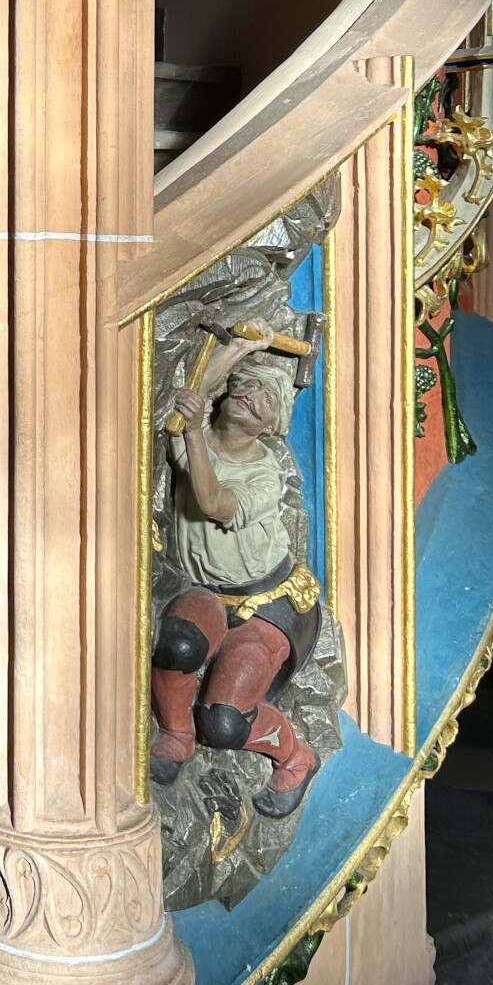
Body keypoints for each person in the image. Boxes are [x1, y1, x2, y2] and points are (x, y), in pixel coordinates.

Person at [150, 334, 323, 819]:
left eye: (266, 398)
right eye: (246, 386)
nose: (250, 396)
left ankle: (295, 757)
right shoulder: (194, 438)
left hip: (266, 604)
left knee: (225, 722)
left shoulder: (263, 474)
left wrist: (192, 432)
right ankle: (176, 735)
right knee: (177, 645)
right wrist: (242, 347)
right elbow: (193, 394)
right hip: (209, 593)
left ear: (271, 426)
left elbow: (213, 502)